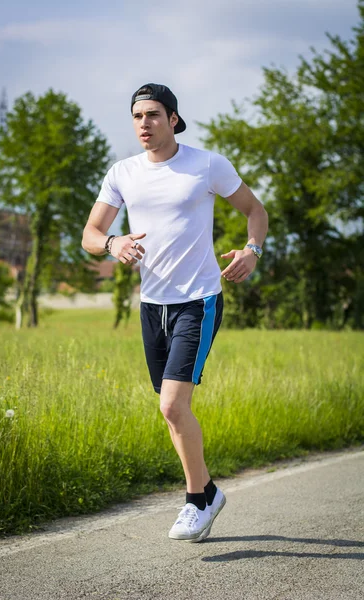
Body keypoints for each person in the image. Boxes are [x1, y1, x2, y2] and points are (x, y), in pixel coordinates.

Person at [82, 83, 268, 542]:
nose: (143, 124)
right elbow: (90, 233)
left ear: (173, 119)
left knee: (172, 404)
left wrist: (253, 250)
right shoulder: (122, 172)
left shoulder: (206, 164)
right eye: (136, 116)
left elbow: (255, 210)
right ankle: (209, 493)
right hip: (152, 306)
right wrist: (113, 243)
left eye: (153, 115)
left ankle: (194, 503)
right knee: (172, 413)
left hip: (199, 300)